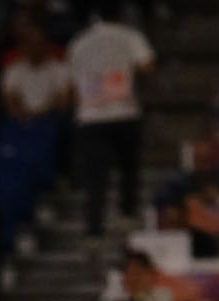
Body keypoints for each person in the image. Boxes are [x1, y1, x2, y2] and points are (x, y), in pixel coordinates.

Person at [67, 3, 154, 243]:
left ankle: (93, 229)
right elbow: (147, 65)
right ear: (121, 13)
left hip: (90, 116)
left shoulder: (79, 42)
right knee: (128, 168)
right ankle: (126, 215)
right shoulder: (130, 37)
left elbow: (72, 83)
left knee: (96, 176)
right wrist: (121, 69)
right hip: (124, 111)